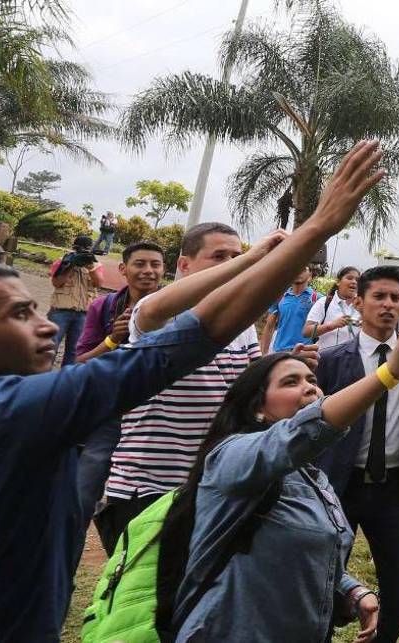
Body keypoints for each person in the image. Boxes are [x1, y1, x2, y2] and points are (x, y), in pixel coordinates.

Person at [0, 137, 384, 642]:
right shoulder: (6, 412)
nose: (50, 328)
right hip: (148, 493)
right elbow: (190, 337)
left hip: (200, 489)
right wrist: (314, 229)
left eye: (36, 309)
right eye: (20, 314)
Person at [165, 335, 399, 641]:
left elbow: (298, 555)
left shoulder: (313, 478)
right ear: (257, 407)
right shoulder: (232, 458)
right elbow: (303, 433)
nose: (309, 386)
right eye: (290, 382)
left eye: (312, 379)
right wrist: (387, 375)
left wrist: (352, 592)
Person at [94, 222, 264, 553]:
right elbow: (153, 310)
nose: (230, 263)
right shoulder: (158, 310)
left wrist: (285, 367)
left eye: (236, 256)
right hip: (147, 487)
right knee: (137, 600)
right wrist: (250, 260)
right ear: (184, 265)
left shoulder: (244, 325)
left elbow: (250, 383)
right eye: (219, 256)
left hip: (210, 483)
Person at [315, 266, 399, 643]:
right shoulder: (333, 360)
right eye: (378, 297)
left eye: (395, 298)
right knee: (321, 588)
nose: (387, 305)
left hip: (393, 490)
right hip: (338, 487)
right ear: (359, 302)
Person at [72, 241, 166, 534]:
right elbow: (81, 363)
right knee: (82, 494)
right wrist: (112, 340)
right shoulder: (104, 307)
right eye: (140, 264)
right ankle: (64, 572)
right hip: (112, 413)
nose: (148, 271)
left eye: (155, 264)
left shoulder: (178, 309)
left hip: (157, 419)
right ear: (123, 269)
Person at [48, 234, 104, 365]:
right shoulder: (63, 260)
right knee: (50, 346)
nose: (83, 252)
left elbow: (99, 283)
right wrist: (69, 265)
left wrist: (91, 267)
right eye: (80, 250)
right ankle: (44, 377)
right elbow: (56, 283)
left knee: (75, 350)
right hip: (60, 310)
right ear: (74, 248)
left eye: (86, 250)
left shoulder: (95, 264)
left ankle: (66, 379)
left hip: (84, 312)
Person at [261, 267, 318, 354]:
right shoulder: (280, 297)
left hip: (305, 352)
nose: (299, 272)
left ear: (310, 275)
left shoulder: (317, 299)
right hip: (280, 352)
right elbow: (269, 326)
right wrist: (263, 353)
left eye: (303, 269)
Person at [304, 265, 361, 349]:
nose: (354, 282)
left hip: (352, 360)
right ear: (338, 282)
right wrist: (331, 325)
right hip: (325, 358)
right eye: (349, 278)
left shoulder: (363, 306)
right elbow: (307, 332)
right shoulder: (324, 302)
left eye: (357, 280)